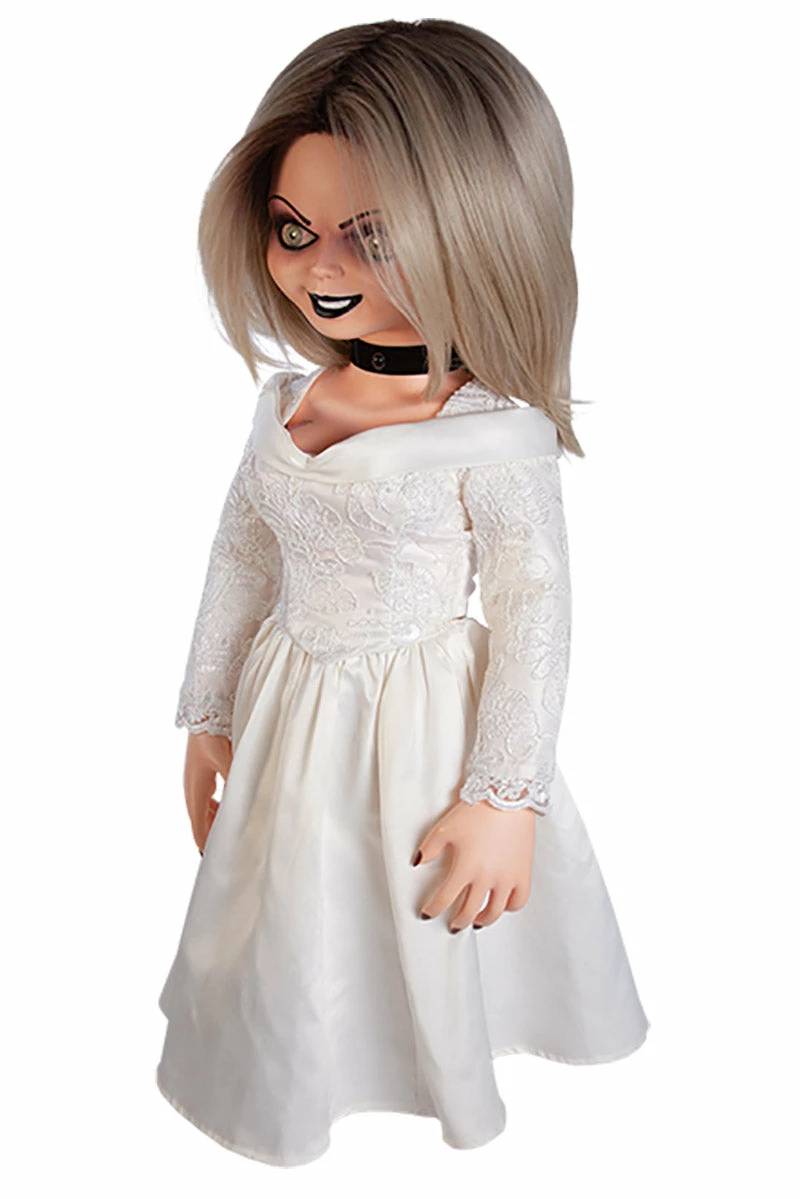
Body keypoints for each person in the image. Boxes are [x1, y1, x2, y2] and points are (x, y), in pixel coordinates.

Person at [156, 17, 650, 1169]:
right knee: (291, 893)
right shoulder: (287, 404)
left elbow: (533, 611)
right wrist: (209, 709)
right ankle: (303, 1062)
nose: (320, 269)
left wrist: (505, 793)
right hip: (289, 700)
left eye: (369, 237)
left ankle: (425, 1056)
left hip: (422, 716)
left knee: (413, 894)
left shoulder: (493, 433)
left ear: (477, 228)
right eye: (293, 230)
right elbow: (241, 556)